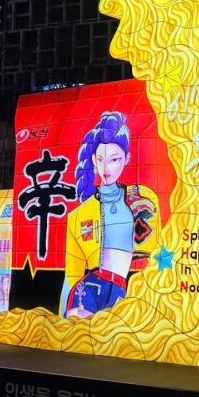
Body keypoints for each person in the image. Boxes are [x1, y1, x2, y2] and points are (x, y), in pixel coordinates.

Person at [59, 111, 161, 319]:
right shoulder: (78, 215)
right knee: (78, 342)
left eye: (114, 159)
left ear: (127, 158)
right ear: (94, 160)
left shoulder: (144, 198)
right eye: (100, 159)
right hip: (86, 290)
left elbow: (158, 252)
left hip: (123, 290)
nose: (106, 169)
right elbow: (71, 275)